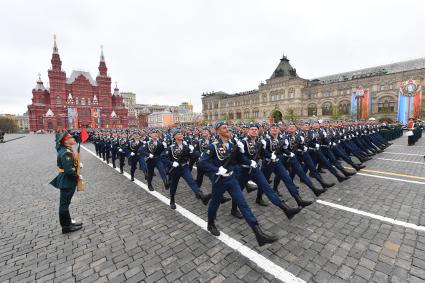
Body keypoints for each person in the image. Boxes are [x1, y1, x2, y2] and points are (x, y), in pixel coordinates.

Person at [198, 121, 278, 246]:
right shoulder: (213, 146)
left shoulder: (232, 145)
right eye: (224, 128)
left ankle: (259, 234)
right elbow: (202, 163)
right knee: (215, 202)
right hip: (220, 181)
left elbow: (238, 160)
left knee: (243, 204)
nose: (227, 129)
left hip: (231, 179)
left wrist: (246, 158)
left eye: (227, 127)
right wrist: (217, 170)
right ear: (218, 131)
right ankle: (210, 223)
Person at [49, 132, 83, 234]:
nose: (73, 139)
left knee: (65, 203)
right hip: (67, 182)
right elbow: (68, 170)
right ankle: (66, 227)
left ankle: (68, 223)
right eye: (71, 137)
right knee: (64, 205)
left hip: (65, 180)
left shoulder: (65, 150)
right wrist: (77, 175)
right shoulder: (66, 153)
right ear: (66, 141)